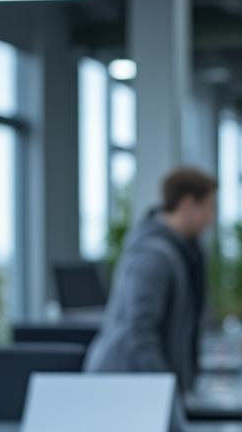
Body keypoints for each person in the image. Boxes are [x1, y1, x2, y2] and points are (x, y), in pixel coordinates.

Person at [85, 166, 215, 396]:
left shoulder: (181, 251)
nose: (211, 218)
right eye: (208, 207)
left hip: (140, 387)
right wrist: (163, 394)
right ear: (187, 204)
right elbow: (141, 334)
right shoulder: (153, 256)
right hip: (123, 390)